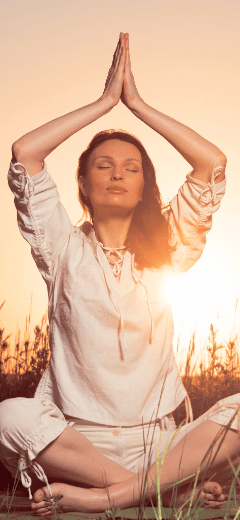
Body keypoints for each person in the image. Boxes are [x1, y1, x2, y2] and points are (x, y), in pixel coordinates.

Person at [1, 32, 239, 516]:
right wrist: (104, 103)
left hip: (162, 444)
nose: (116, 173)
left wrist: (138, 105)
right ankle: (162, 490)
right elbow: (26, 152)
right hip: (77, 447)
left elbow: (212, 162)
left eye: (131, 168)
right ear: (83, 185)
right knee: (9, 416)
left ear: (144, 185)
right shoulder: (61, 247)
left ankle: (113, 496)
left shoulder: (168, 248)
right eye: (103, 165)